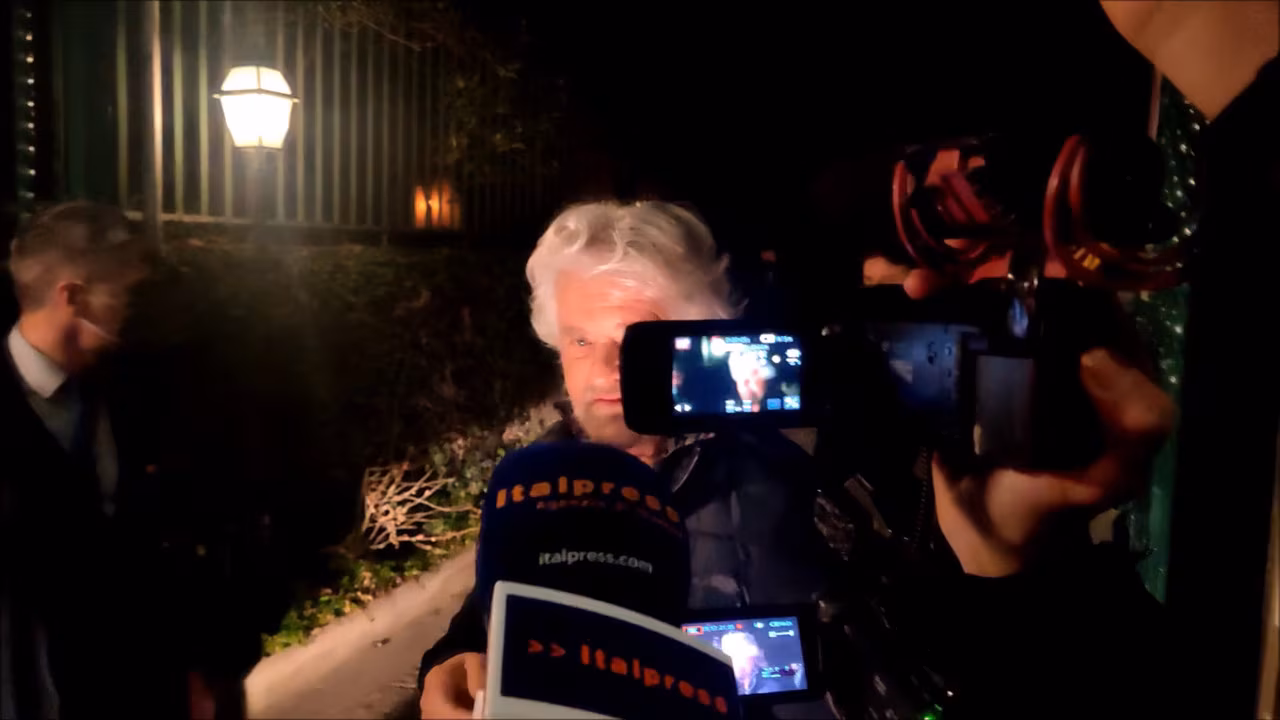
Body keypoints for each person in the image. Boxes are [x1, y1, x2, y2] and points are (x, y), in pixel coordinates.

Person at [0, 202, 212, 718]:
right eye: (122, 297)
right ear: (72, 296)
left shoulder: (127, 390)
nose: (129, 317)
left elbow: (151, 547)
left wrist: (186, 672)